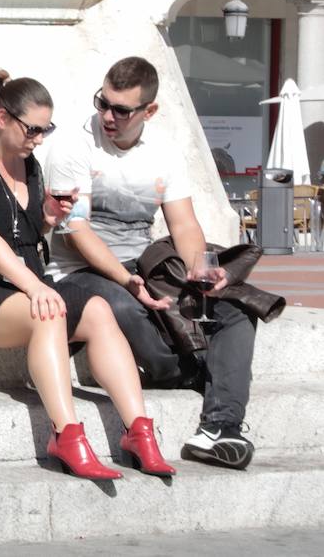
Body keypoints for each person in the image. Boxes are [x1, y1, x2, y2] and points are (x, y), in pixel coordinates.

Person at [0, 70, 174, 481]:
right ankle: (67, 436)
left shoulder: (30, 165)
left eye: (46, 130)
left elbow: (25, 234)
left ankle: (139, 433)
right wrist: (37, 286)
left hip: (18, 284)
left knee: (97, 310)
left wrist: (48, 220)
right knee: (49, 312)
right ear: (3, 118)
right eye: (33, 129)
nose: (39, 139)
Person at [45, 56, 259, 469]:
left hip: (144, 269)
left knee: (237, 305)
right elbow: (78, 231)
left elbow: (183, 222)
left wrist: (200, 271)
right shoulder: (75, 145)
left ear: (150, 111)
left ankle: (220, 429)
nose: (107, 116)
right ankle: (190, 371)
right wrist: (127, 280)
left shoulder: (163, 153)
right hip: (78, 274)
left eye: (121, 110)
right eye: (102, 103)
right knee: (124, 306)